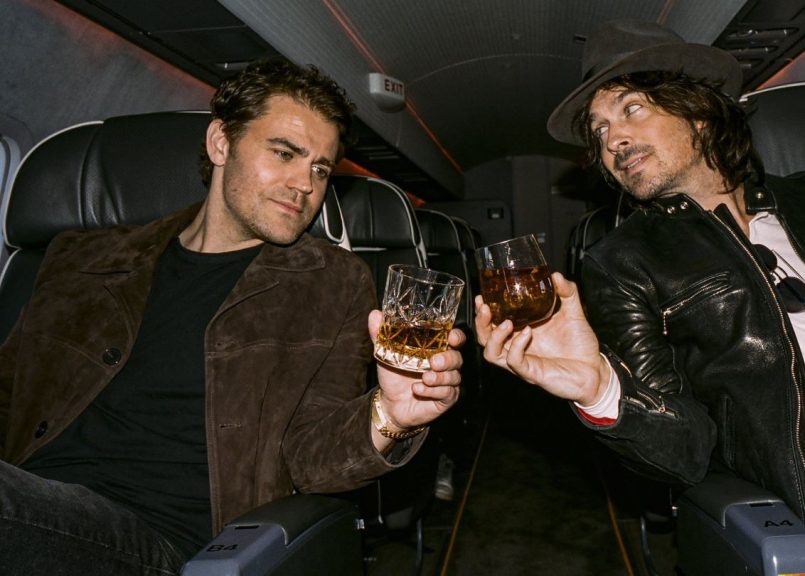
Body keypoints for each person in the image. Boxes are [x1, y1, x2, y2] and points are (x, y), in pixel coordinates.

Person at [476, 19, 805, 575]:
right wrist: (600, 389)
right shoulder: (624, 263)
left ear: (700, 112)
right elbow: (686, 450)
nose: (612, 141)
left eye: (632, 109)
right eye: (599, 131)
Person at [0, 59, 463, 575]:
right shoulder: (82, 257)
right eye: (284, 153)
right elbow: (7, 391)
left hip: (158, 537)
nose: (304, 184)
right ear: (221, 143)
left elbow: (310, 460)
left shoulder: (330, 282)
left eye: (320, 168)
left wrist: (390, 416)